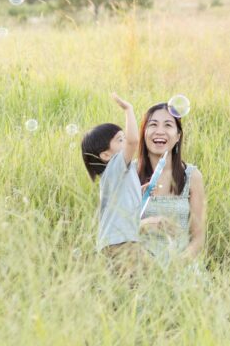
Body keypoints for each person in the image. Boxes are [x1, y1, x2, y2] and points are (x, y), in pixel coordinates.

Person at [137, 102, 207, 268]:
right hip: (138, 266)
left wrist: (176, 266)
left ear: (178, 136)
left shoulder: (192, 176)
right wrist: (146, 224)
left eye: (168, 125)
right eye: (153, 124)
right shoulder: (128, 174)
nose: (160, 131)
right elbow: (115, 231)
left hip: (181, 267)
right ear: (143, 133)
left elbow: (198, 237)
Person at [81, 94, 145, 274]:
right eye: (120, 139)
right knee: (135, 286)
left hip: (114, 241)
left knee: (123, 288)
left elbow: (123, 197)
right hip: (122, 241)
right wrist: (128, 109)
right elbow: (134, 141)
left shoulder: (115, 174)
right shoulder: (116, 165)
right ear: (105, 155)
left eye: (123, 138)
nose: (126, 142)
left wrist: (140, 191)